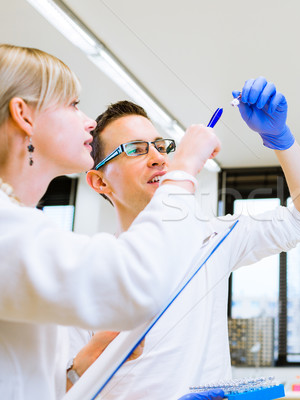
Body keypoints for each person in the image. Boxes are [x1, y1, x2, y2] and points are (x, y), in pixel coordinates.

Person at [69, 77, 300, 399]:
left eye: (161, 146)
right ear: (100, 182)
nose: (158, 158)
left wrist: (280, 139)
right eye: (135, 150)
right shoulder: (89, 270)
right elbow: (62, 385)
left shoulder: (212, 238)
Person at [0, 43, 224, 400]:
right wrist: (182, 170)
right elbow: (135, 284)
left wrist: (78, 372)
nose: (89, 121)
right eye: (72, 105)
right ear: (24, 116)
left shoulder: (23, 223)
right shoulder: (6, 229)